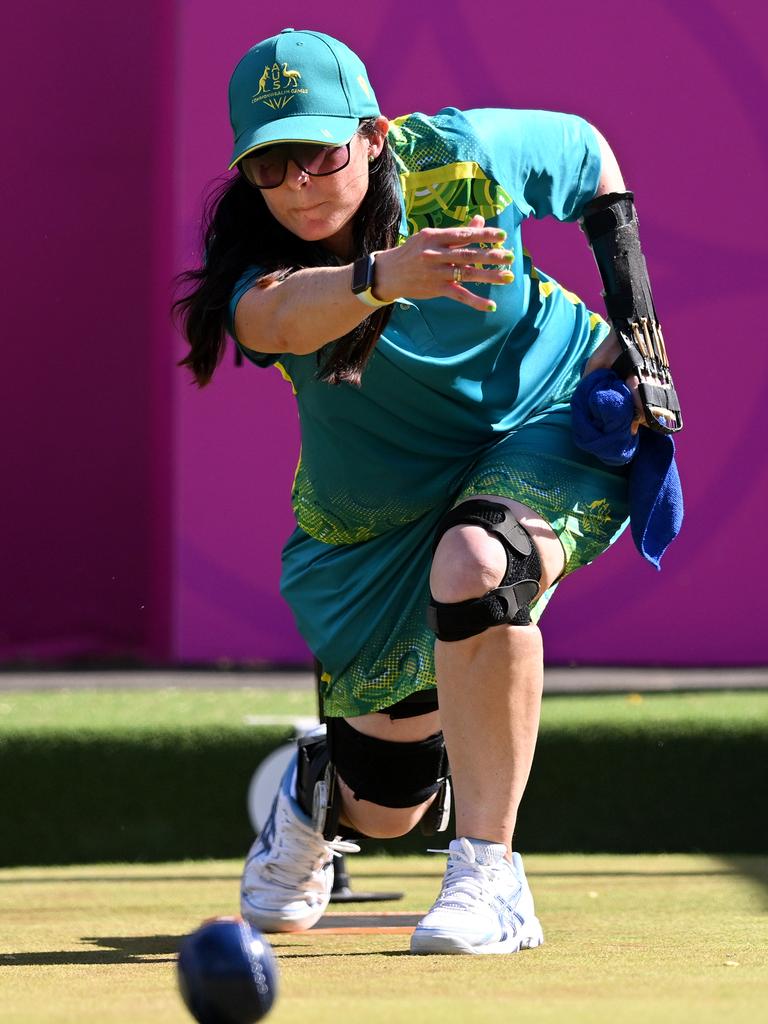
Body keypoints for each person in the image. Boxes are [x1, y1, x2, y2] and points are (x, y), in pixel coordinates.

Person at [175, 28, 671, 956]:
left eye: (317, 154)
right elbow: (275, 319)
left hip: (555, 415)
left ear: (369, 134)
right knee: (387, 807)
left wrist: (640, 331)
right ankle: (320, 790)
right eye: (270, 166)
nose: (298, 186)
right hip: (378, 518)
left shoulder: (463, 155)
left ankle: (491, 876)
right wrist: (381, 278)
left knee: (483, 561)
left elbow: (591, 157)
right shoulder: (263, 266)